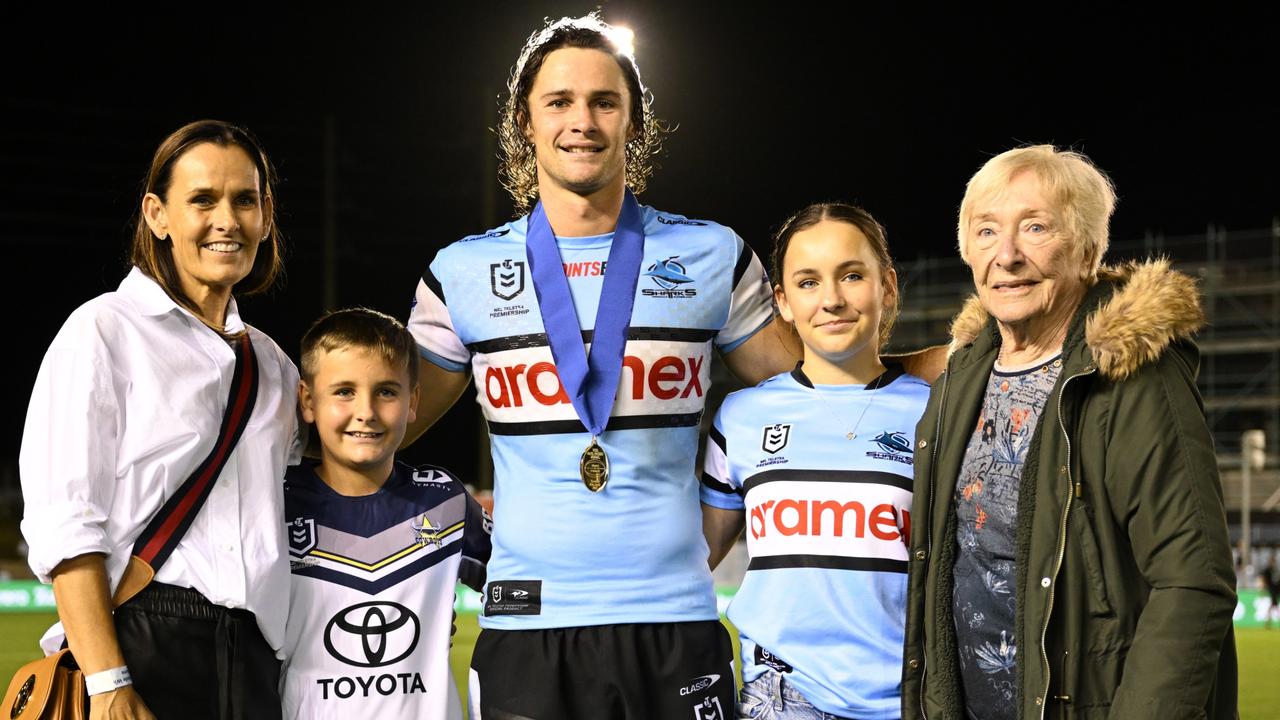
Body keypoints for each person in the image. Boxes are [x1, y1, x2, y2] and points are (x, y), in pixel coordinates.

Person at [404, 13, 801, 719]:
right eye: (558, 101)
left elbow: (809, 394)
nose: (580, 121)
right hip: (527, 626)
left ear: (634, 123)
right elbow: (385, 425)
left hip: (676, 619)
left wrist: (942, 365)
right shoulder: (461, 272)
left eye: (604, 101)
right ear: (525, 122)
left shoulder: (713, 257)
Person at [902, 145, 1237, 720]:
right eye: (986, 231)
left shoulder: (1132, 378)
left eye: (1035, 227)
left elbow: (1192, 581)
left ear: (1086, 249)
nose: (1005, 255)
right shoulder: (961, 378)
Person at [19, 120, 301, 720]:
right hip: (143, 648)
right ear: (157, 215)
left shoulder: (275, 367)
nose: (226, 220)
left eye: (244, 200)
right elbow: (65, 523)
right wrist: (108, 682)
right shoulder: (102, 331)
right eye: (202, 199)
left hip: (255, 661)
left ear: (267, 214)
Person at [702, 203, 928, 719]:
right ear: (781, 301)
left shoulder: (936, 411)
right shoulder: (741, 416)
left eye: (851, 275)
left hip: (909, 700)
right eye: (807, 282)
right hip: (781, 698)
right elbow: (698, 557)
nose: (831, 300)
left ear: (887, 286)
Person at [279, 308, 491, 719]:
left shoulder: (444, 501)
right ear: (308, 400)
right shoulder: (274, 502)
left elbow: (518, 584)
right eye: (343, 391)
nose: (367, 412)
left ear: (413, 401)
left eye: (387, 392)